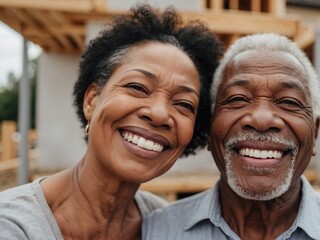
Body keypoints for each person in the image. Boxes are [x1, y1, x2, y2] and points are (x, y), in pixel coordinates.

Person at [142, 33, 320, 240]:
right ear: (210, 131)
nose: (262, 120)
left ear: (315, 133)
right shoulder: (156, 231)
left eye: (288, 101)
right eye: (238, 99)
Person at [0, 4, 221, 240]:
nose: (158, 114)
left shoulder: (166, 224)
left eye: (184, 104)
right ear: (91, 101)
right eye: (137, 87)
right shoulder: (13, 226)